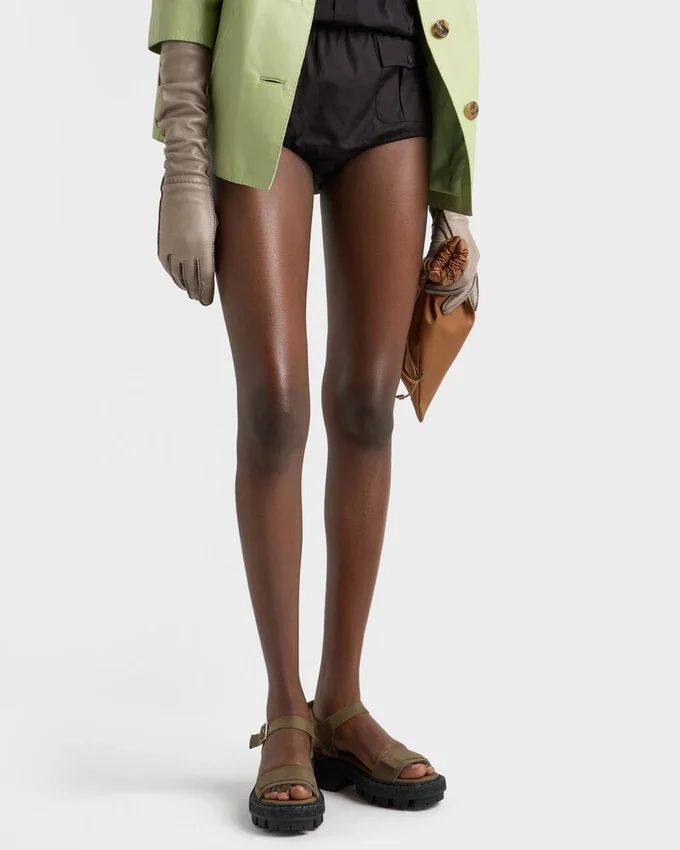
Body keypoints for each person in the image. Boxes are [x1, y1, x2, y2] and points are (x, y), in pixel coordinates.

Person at [148, 0, 480, 832]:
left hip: (395, 83)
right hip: (265, 86)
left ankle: (341, 704)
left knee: (369, 406)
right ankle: (285, 710)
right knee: (275, 405)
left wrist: (456, 194)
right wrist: (183, 165)